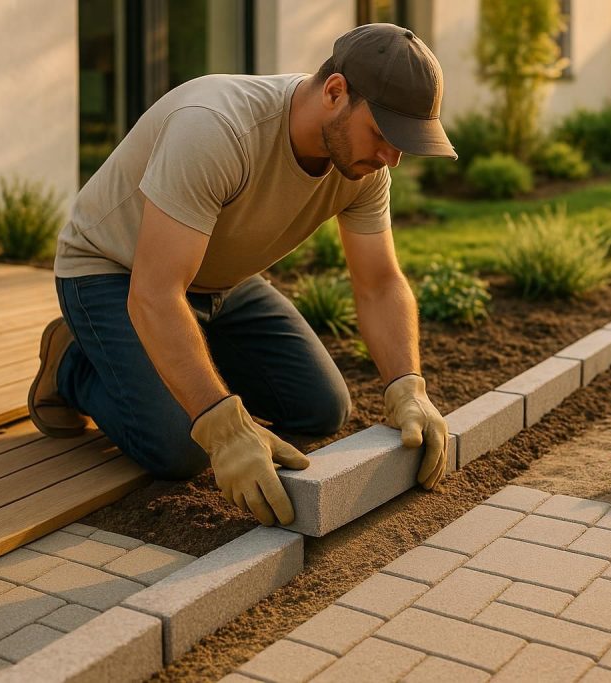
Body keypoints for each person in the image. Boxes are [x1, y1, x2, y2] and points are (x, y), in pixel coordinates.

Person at [27, 23, 457, 527]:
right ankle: (73, 364)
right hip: (112, 273)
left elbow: (380, 283)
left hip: (218, 281)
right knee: (180, 449)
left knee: (321, 408)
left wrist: (408, 386)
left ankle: (175, 356)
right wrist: (223, 426)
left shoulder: (363, 169)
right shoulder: (216, 127)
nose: (392, 158)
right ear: (336, 92)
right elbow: (154, 292)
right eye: (383, 135)